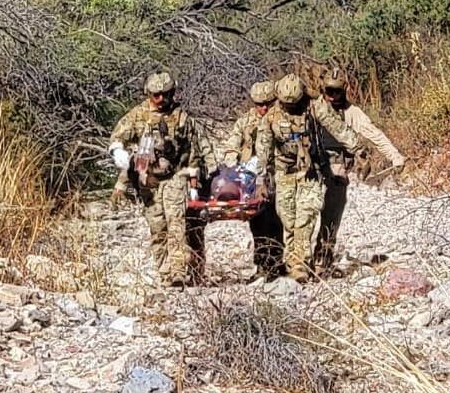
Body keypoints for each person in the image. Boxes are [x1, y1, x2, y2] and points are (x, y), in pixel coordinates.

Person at [108, 72, 216, 287]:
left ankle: (178, 271)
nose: (161, 99)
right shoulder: (137, 116)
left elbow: (195, 150)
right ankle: (165, 273)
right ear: (148, 94)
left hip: (176, 177)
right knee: (158, 228)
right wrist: (118, 151)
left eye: (165, 94)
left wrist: (195, 180)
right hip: (148, 180)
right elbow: (118, 137)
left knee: (177, 224)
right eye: (156, 95)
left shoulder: (182, 118)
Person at [254, 74, 361, 282]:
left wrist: (357, 148)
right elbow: (263, 150)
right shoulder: (271, 117)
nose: (291, 108)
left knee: (306, 215)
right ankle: (292, 260)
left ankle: (300, 265)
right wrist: (261, 180)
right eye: (287, 105)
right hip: (285, 172)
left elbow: (337, 127)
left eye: (294, 104)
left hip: (310, 171)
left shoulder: (315, 107)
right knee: (288, 219)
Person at [311, 68, 406, 275]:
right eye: (328, 91)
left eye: (336, 91)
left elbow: (374, 134)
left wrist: (394, 155)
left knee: (332, 212)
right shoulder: (313, 107)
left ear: (344, 90)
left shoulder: (352, 113)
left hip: (336, 165)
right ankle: (296, 262)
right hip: (309, 164)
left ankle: (323, 259)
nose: (332, 96)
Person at [222, 80, 285, 279]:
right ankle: (262, 264)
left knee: (278, 221)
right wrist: (231, 161)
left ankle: (277, 263)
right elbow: (232, 144)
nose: (264, 108)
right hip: (252, 179)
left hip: (277, 176)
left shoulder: (282, 119)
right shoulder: (245, 122)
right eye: (259, 104)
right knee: (257, 223)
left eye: (268, 104)